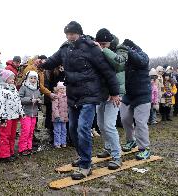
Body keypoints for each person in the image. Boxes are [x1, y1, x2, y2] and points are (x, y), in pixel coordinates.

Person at [36, 21, 120, 180]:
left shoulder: (91, 47)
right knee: (73, 128)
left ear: (79, 33)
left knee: (82, 128)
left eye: (73, 33)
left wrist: (115, 92)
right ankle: (83, 156)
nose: (70, 36)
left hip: (89, 94)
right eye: (67, 34)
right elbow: (52, 61)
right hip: (73, 95)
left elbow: (107, 71)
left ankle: (86, 166)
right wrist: (42, 64)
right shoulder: (65, 49)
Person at [94, 28, 128, 170]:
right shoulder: (98, 49)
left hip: (115, 93)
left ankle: (116, 155)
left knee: (109, 125)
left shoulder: (120, 49)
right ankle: (108, 148)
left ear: (110, 42)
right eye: (99, 43)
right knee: (101, 124)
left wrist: (103, 50)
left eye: (104, 44)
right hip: (101, 93)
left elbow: (119, 64)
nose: (102, 46)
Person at [120, 39, 152, 160]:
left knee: (140, 122)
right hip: (128, 95)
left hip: (142, 95)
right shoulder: (123, 59)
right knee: (124, 119)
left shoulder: (142, 55)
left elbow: (141, 61)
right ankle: (130, 141)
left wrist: (128, 51)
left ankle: (144, 148)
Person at [0, 69, 24, 163]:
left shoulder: (14, 89)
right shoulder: (2, 91)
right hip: (6, 117)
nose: (12, 80)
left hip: (14, 116)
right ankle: (4, 155)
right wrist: (2, 118)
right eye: (10, 78)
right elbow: (1, 105)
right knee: (5, 136)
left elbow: (18, 102)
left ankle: (11, 152)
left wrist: (21, 112)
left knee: (12, 135)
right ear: (5, 79)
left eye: (13, 78)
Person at [18, 71, 42, 156]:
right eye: (31, 78)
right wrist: (30, 100)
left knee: (31, 131)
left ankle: (29, 147)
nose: (33, 80)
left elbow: (39, 98)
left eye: (35, 78)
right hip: (25, 113)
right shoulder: (23, 87)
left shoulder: (37, 89)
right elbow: (19, 99)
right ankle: (22, 148)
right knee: (26, 131)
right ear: (28, 78)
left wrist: (39, 101)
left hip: (34, 114)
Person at [52, 82, 68, 148]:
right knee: (57, 130)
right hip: (57, 117)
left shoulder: (66, 96)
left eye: (63, 88)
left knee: (64, 130)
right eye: (60, 88)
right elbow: (54, 107)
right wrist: (56, 115)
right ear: (58, 89)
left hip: (64, 117)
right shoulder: (56, 96)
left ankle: (63, 142)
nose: (62, 89)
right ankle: (57, 143)